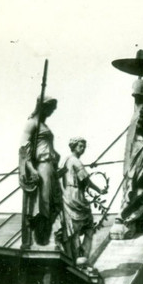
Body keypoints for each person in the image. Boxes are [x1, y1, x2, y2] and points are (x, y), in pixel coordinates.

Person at [18, 96, 62, 248]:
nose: (52, 112)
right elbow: (24, 148)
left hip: (50, 166)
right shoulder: (32, 123)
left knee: (55, 201)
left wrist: (55, 153)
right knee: (43, 202)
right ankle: (40, 236)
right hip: (42, 166)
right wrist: (31, 168)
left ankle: (46, 234)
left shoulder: (43, 124)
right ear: (43, 107)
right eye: (50, 108)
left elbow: (45, 145)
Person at [59, 138, 107, 263]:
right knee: (89, 227)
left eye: (84, 146)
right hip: (75, 196)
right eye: (80, 146)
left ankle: (77, 258)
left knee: (73, 230)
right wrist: (99, 190)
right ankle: (84, 258)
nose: (83, 148)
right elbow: (86, 180)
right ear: (74, 147)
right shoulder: (75, 161)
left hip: (66, 195)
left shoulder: (65, 160)